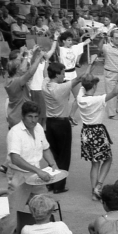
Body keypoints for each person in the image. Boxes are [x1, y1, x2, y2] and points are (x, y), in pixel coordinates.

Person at [0, 101, 58, 234]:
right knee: (12, 215)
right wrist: (38, 171)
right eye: (30, 116)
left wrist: (53, 164)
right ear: (23, 116)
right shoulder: (15, 133)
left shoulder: (38, 129)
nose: (33, 120)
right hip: (19, 175)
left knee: (46, 208)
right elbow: (15, 158)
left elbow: (46, 148)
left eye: (36, 116)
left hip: (36, 175)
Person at [77, 71, 118, 200]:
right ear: (94, 86)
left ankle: (94, 192)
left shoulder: (80, 98)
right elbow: (115, 92)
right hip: (98, 132)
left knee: (95, 163)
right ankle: (98, 186)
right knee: (108, 159)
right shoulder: (97, 99)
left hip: (86, 133)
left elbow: (83, 87)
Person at [42, 62, 86, 193]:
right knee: (64, 155)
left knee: (53, 154)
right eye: (62, 73)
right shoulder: (61, 88)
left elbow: (45, 73)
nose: (64, 76)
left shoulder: (45, 84)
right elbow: (79, 78)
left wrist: (45, 61)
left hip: (49, 123)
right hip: (62, 123)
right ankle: (59, 185)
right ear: (56, 75)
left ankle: (51, 183)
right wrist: (91, 66)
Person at [5, 47, 43, 128]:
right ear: (17, 69)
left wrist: (33, 54)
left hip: (14, 115)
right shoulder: (16, 81)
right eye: (21, 65)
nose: (24, 66)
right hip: (19, 118)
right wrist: (39, 58)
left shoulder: (11, 79)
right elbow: (30, 72)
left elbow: (25, 66)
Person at [27, 35, 59, 128]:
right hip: (36, 89)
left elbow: (52, 49)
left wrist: (56, 38)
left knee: (45, 111)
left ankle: (43, 128)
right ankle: (38, 128)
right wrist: (34, 53)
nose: (41, 52)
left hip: (43, 88)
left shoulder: (45, 60)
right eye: (39, 51)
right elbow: (32, 60)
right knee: (38, 111)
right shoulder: (32, 61)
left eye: (41, 51)